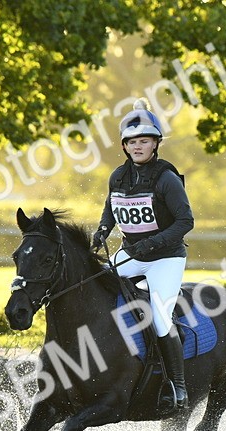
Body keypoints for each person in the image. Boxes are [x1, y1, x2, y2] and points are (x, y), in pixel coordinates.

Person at [93, 99, 194, 414]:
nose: (138, 146)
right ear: (124, 146)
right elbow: (112, 207)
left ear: (155, 144)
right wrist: (102, 230)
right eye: (132, 141)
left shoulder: (167, 178)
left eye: (144, 141)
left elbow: (185, 222)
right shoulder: (118, 177)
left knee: (161, 316)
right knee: (98, 293)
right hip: (131, 253)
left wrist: (151, 245)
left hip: (165, 259)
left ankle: (177, 386)